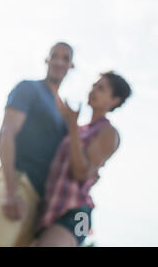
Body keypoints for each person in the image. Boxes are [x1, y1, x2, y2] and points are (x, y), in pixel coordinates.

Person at [0, 42, 74, 247]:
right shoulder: (29, 88)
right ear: (46, 59)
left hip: (40, 200)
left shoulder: (64, 111)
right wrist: (11, 191)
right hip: (19, 183)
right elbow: (7, 133)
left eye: (65, 58)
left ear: (71, 65)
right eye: (54, 55)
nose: (58, 61)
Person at [34, 71, 132, 246]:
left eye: (101, 88)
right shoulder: (80, 129)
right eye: (94, 86)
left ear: (114, 100)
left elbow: (80, 173)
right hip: (50, 212)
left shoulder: (108, 133)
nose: (93, 90)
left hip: (77, 215)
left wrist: (71, 126)